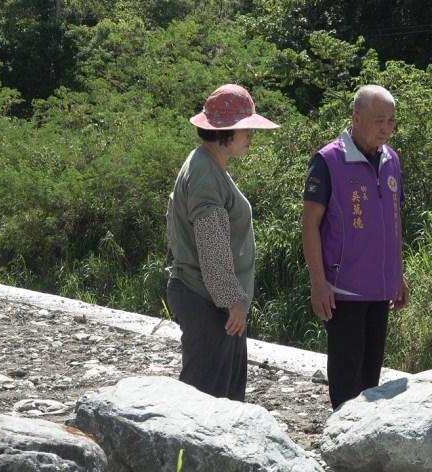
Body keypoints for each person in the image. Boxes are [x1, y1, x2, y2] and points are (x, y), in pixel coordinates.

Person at [165, 83, 279, 401]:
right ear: (224, 131)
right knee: (206, 405)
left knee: (225, 401)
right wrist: (232, 299)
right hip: (207, 301)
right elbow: (211, 242)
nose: (251, 135)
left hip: (210, 299)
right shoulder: (204, 171)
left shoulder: (206, 164)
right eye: (245, 127)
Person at [302, 84, 410, 410]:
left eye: (391, 121)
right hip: (343, 289)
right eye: (379, 121)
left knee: (370, 373)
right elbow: (310, 225)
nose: (386, 128)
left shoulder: (391, 159)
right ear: (356, 118)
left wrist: (398, 274)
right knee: (346, 375)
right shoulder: (328, 160)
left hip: (380, 288)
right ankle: (341, 431)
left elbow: (393, 220)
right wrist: (318, 283)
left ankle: (362, 433)